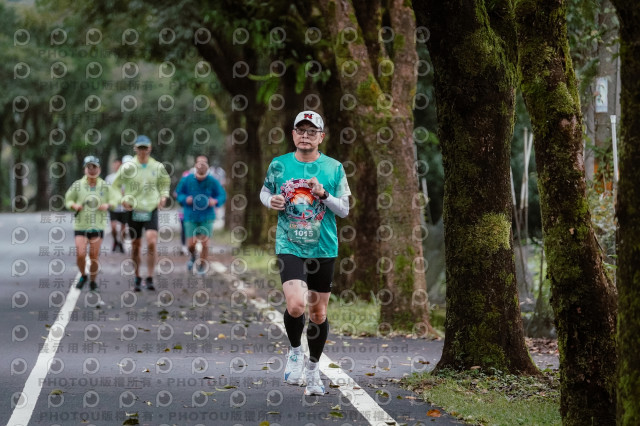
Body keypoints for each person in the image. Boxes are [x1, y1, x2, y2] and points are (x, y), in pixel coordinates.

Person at [260, 110, 351, 395]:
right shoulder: (279, 164)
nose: (305, 136)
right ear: (293, 134)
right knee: (297, 305)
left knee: (318, 313)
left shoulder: (334, 168)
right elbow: (264, 192)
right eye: (301, 130)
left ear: (321, 137)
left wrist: (324, 194)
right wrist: (270, 201)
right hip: (290, 245)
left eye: (312, 132)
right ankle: (296, 352)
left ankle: (313, 372)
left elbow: (345, 210)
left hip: (323, 247)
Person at [109, 135, 170, 292]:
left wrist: (163, 196)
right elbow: (115, 186)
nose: (143, 151)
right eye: (140, 148)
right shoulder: (128, 167)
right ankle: (137, 277)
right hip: (133, 209)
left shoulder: (157, 167)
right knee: (136, 245)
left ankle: (149, 277)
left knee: (151, 241)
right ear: (135, 149)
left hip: (150, 208)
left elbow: (164, 184)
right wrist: (121, 199)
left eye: (145, 148)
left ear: (150, 148)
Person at [65, 155, 111, 291]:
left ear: (99, 169)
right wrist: (74, 206)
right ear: (85, 169)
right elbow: (67, 200)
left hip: (98, 225)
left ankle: (93, 280)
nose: (91, 170)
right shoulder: (77, 185)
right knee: (80, 254)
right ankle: (83, 275)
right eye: (88, 167)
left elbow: (114, 200)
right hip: (81, 225)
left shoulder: (105, 186)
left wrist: (107, 205)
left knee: (93, 256)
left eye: (94, 167)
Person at [176, 155, 226, 275]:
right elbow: (178, 193)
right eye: (200, 162)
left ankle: (202, 266)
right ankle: (193, 256)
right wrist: (185, 199)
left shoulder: (212, 180)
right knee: (191, 244)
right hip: (190, 215)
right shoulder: (187, 179)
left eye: (204, 162)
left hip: (207, 216)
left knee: (205, 243)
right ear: (195, 164)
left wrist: (215, 201)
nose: (202, 165)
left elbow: (222, 195)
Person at [105, 157, 127, 253]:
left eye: (119, 165)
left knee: (123, 229)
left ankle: (121, 243)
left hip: (124, 207)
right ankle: (115, 241)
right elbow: (106, 191)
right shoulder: (109, 178)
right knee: (113, 227)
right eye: (115, 165)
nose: (117, 167)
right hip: (113, 206)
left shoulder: (125, 178)